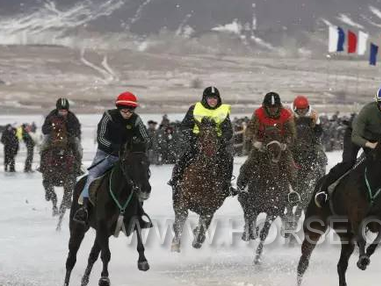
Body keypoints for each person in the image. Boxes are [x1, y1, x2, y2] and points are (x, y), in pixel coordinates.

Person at [315, 83, 381, 206]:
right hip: (354, 135)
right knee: (349, 163)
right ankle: (324, 190)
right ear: (378, 103)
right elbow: (356, 137)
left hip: (374, 138)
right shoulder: (367, 111)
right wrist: (370, 145)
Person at [73, 92, 150, 225]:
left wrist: (140, 144)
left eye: (131, 109)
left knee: (139, 176)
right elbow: (101, 137)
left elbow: (147, 138)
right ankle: (84, 208)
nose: (128, 112)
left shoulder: (136, 120)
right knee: (93, 174)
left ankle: (138, 211)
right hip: (106, 154)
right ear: (118, 107)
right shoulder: (108, 116)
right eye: (124, 108)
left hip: (127, 158)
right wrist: (114, 147)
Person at [168, 86, 235, 195]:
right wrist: (193, 137)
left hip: (216, 144)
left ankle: (227, 185)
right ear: (205, 98)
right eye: (210, 98)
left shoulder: (223, 110)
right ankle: (176, 180)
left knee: (228, 159)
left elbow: (228, 130)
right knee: (183, 158)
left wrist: (221, 140)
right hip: (196, 143)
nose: (213, 101)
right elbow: (185, 126)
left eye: (215, 98)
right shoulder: (194, 108)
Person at [236, 92, 297, 191]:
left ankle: (293, 191)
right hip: (262, 146)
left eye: (275, 107)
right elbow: (250, 130)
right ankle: (241, 188)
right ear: (265, 106)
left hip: (280, 146)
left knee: (290, 165)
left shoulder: (286, 114)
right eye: (270, 107)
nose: (273, 109)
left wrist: (286, 143)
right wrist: (255, 141)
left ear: (279, 106)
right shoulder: (258, 113)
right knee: (248, 164)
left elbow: (292, 133)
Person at [39, 98, 83, 174]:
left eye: (65, 111)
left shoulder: (72, 116)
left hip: (68, 137)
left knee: (78, 147)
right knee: (43, 146)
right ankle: (42, 165)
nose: (63, 113)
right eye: (61, 111)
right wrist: (52, 128)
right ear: (57, 109)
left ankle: (78, 167)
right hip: (52, 137)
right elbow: (44, 129)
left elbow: (77, 130)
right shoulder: (51, 115)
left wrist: (69, 129)